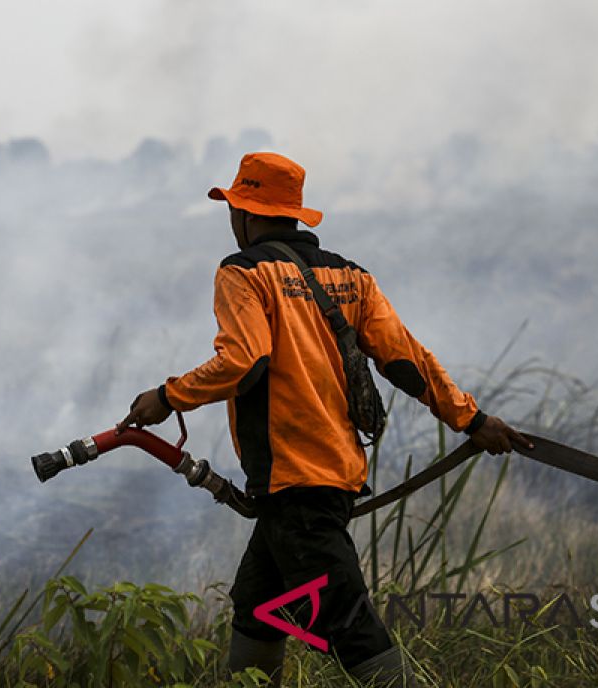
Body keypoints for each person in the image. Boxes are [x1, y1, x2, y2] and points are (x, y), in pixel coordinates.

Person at [118, 152, 531, 686]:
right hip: (330, 476)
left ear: (245, 211)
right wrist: (471, 420)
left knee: (348, 625)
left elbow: (243, 359)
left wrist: (166, 396)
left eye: (234, 206)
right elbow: (408, 361)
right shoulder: (349, 276)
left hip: (295, 483)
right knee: (258, 610)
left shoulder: (241, 272)